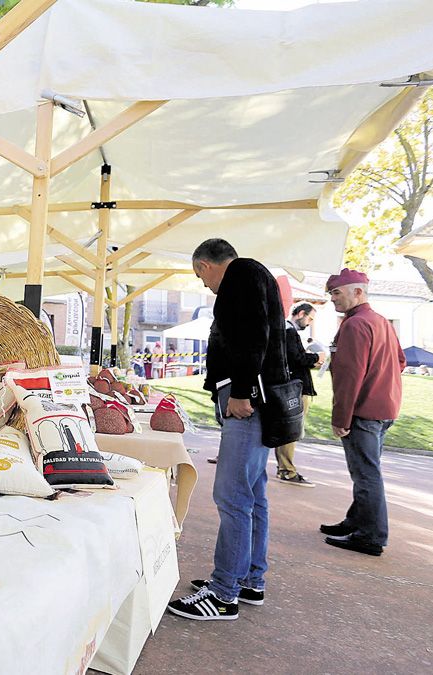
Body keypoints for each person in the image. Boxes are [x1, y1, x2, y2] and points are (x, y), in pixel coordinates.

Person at [167, 238, 287, 621]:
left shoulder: (240, 275)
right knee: (252, 495)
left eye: (200, 276)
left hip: (247, 403)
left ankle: (223, 594)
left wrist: (241, 391)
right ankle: (248, 579)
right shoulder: (254, 274)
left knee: (232, 495)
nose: (204, 285)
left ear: (204, 265)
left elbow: (253, 336)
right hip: (259, 400)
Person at [322, 268, 405, 557]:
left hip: (364, 411)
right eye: (331, 293)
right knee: (366, 471)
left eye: (336, 292)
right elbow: (401, 361)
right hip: (385, 407)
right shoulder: (380, 321)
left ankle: (370, 536)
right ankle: (356, 522)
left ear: (358, 292)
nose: (332, 298)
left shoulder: (355, 325)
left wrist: (341, 418)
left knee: (366, 474)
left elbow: (348, 375)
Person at [274, 303, 321, 487]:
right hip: (296, 388)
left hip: (293, 386)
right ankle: (287, 470)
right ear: (301, 313)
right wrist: (317, 358)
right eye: (309, 318)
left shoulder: (285, 330)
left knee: (289, 429)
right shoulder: (289, 331)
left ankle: (285, 468)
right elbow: (296, 359)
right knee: (291, 429)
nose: (309, 323)